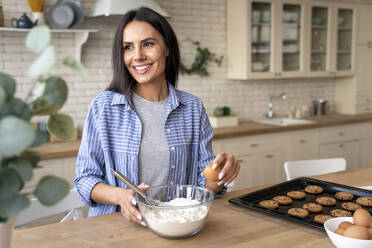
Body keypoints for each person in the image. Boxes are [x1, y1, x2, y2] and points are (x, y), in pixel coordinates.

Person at [75, 7, 240, 227]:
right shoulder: (104, 107)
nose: (138, 56)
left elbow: (205, 188)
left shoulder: (192, 108)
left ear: (168, 48)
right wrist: (121, 196)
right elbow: (85, 180)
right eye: (128, 48)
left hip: (176, 228)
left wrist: (221, 172)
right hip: (113, 230)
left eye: (148, 44)